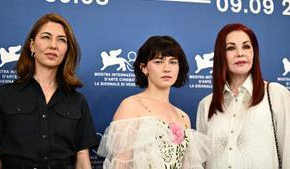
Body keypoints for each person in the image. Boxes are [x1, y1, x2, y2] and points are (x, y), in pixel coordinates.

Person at [0, 13, 99, 169]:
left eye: (61, 40)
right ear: (32, 45)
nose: (53, 45)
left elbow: (82, 162)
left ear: (67, 50)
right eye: (46, 37)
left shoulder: (77, 101)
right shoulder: (3, 95)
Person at [97, 35, 209, 169]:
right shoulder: (131, 105)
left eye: (173, 62)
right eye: (158, 62)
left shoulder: (183, 116)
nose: (167, 68)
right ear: (144, 68)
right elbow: (120, 163)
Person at [196, 23, 290, 169]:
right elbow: (200, 162)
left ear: (254, 52)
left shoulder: (276, 94)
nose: (240, 53)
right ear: (221, 54)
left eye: (246, 46)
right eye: (231, 48)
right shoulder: (206, 104)